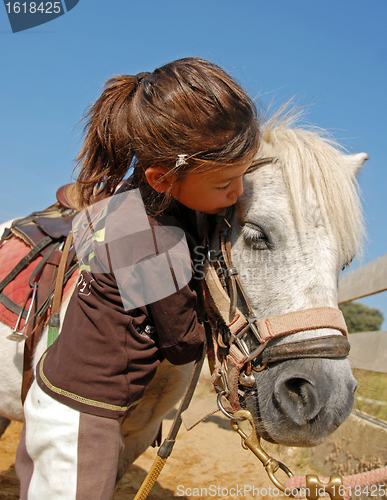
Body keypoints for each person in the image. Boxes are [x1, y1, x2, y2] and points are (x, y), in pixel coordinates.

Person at [15, 57, 260, 499]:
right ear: (162, 179)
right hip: (85, 415)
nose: (237, 193)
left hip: (55, 396)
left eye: (243, 175)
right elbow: (182, 343)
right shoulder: (153, 243)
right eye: (225, 183)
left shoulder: (124, 205)